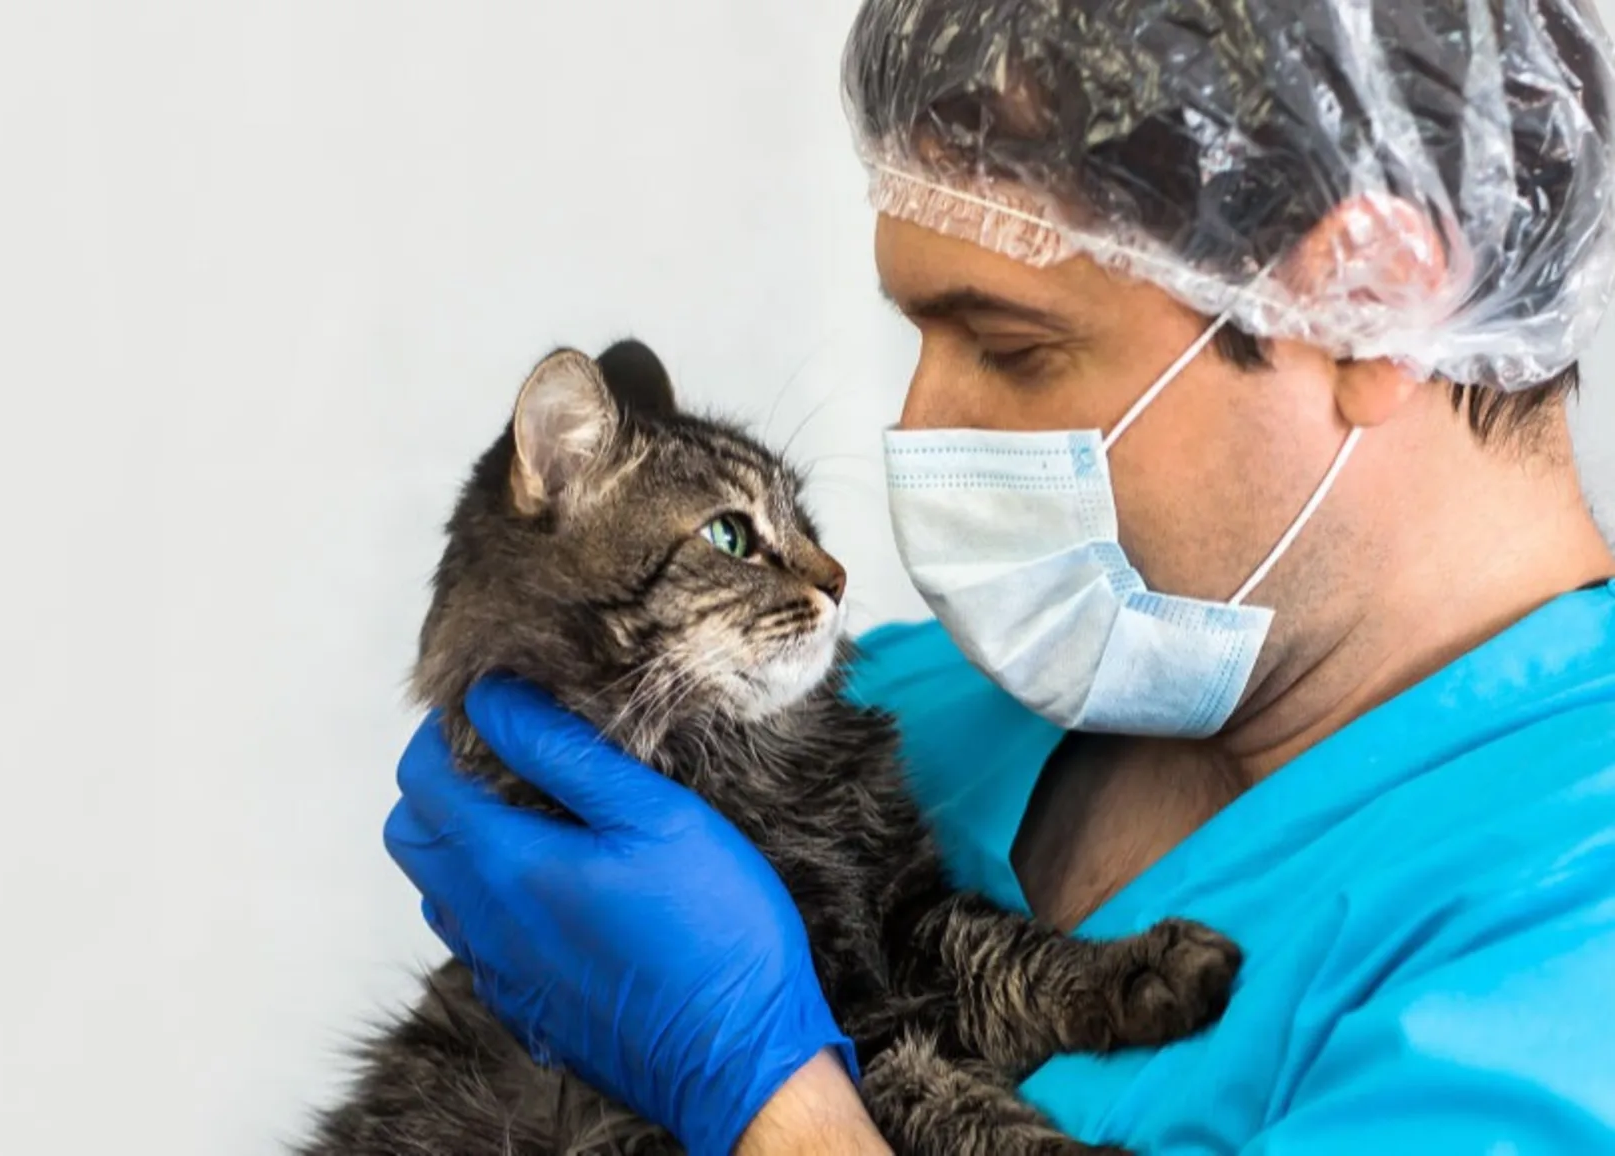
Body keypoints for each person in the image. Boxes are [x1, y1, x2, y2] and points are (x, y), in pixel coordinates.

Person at [383, 1, 1615, 1152]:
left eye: (1012, 346)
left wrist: (768, 1098)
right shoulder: (906, 697)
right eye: (916, 336)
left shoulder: (1570, 918)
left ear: (1371, 307)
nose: (920, 425)